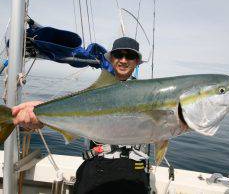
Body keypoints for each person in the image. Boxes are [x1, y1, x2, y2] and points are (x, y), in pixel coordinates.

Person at [12, 37, 150, 194]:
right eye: (118, 55)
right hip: (96, 168)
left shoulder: (149, 95)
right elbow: (69, 113)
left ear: (137, 61)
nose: (124, 60)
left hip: (134, 172)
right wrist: (40, 113)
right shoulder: (91, 94)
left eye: (130, 56)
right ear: (111, 58)